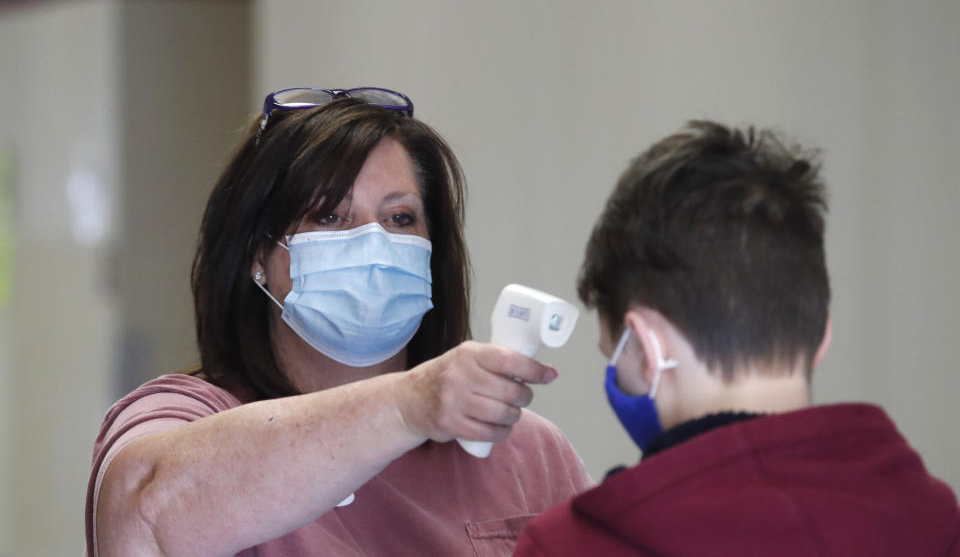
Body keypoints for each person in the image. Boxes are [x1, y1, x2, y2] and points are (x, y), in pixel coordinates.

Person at [85, 87, 592, 557]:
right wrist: (407, 406)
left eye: (400, 219)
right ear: (257, 253)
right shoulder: (185, 415)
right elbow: (142, 516)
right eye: (329, 216)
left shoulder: (524, 449)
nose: (374, 244)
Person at [514, 121, 960, 556]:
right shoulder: (937, 521)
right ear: (821, 334)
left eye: (615, 359)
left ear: (649, 348)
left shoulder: (568, 546)